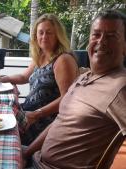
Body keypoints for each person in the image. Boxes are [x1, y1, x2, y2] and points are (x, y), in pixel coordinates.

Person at [23, 9, 126, 168]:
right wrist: (26, 154)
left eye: (112, 36)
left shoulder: (120, 86)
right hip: (36, 159)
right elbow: (59, 120)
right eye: (96, 35)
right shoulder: (84, 78)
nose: (101, 41)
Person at [0, 14, 79, 145]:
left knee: (0, 137)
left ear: (58, 35)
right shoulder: (42, 55)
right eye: (40, 33)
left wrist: (36, 114)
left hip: (45, 122)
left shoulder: (63, 60)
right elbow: (24, 77)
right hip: (29, 114)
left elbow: (67, 98)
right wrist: (2, 79)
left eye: (49, 33)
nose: (44, 36)